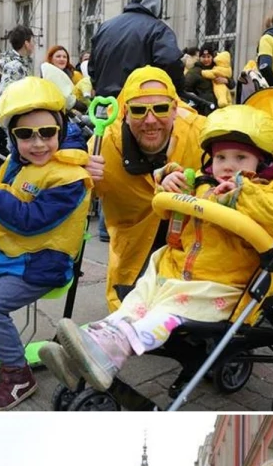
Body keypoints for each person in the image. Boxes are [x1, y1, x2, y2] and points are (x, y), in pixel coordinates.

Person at [42, 102, 273, 391]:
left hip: (219, 285)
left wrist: (244, 194)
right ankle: (84, 353)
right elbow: (167, 211)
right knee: (135, 303)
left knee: (161, 313)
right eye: (220, 157)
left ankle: (110, 353)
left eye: (241, 157)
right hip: (172, 272)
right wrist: (168, 183)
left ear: (262, 163)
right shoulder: (202, 185)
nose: (228, 165)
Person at [0, 76, 92, 410]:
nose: (39, 142)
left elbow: (31, 221)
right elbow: (6, 190)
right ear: (13, 138)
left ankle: (18, 377)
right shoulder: (19, 162)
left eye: (47, 133)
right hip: (13, 256)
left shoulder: (67, 178)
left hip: (43, 265)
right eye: (25, 134)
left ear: (60, 131)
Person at [82, 66, 205, 311]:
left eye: (160, 108)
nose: (150, 120)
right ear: (125, 113)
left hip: (195, 249)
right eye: (139, 111)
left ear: (174, 109)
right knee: (132, 312)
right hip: (134, 253)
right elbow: (68, 201)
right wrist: (82, 181)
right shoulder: (102, 146)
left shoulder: (201, 134)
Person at [88, 0, 184, 100]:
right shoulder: (158, 29)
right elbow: (171, 63)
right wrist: (176, 91)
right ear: (156, 2)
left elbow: (92, 68)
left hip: (105, 106)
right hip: (139, 106)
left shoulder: (105, 27)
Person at [0, 24, 35, 97]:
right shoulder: (12, 66)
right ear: (26, 44)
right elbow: (5, 94)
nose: (34, 44)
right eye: (33, 41)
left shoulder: (26, 63)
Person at [183, 45, 221, 110]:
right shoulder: (194, 72)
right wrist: (196, 105)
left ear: (212, 57)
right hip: (203, 110)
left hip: (219, 109)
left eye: (208, 56)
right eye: (203, 57)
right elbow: (185, 90)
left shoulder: (218, 69)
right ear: (199, 58)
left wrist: (227, 80)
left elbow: (232, 84)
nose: (206, 59)